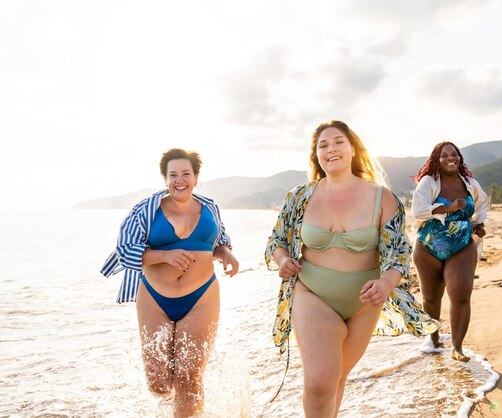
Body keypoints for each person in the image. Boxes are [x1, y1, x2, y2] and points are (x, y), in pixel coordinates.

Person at [265, 120, 439, 417]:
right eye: (323, 145)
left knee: (337, 379)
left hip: (364, 302)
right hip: (312, 294)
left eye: (338, 142)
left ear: (353, 149)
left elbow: (399, 254)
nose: (331, 149)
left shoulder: (382, 198)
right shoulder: (299, 197)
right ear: (316, 155)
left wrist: (385, 284)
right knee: (320, 381)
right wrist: (283, 261)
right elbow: (276, 241)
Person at [100, 148, 239, 417]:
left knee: (190, 378)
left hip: (202, 295)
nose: (180, 179)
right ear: (165, 179)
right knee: (159, 383)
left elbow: (220, 243)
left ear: (196, 177)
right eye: (173, 174)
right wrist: (165, 254)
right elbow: (124, 250)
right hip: (154, 298)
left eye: (186, 173)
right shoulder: (146, 210)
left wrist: (227, 254)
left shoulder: (210, 208)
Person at [411, 141, 487, 362]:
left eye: (454, 154)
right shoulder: (428, 182)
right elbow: (418, 210)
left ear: (460, 158)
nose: (450, 158)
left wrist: (478, 224)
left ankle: (458, 348)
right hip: (428, 247)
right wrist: (449, 207)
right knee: (431, 298)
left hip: (461, 246)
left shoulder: (470, 183)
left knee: (461, 295)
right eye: (444, 155)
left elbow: (482, 204)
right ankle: (433, 340)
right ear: (437, 160)